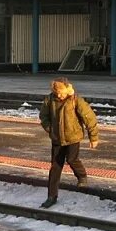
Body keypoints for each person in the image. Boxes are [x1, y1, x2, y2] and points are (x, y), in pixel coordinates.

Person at [38, 77, 99, 208]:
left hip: (73, 137)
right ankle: (51, 196)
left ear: (67, 89)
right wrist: (50, 129)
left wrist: (93, 137)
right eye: (56, 93)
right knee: (55, 167)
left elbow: (89, 118)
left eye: (61, 92)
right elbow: (43, 116)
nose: (59, 95)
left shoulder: (76, 100)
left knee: (72, 159)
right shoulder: (49, 100)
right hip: (57, 138)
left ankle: (82, 176)